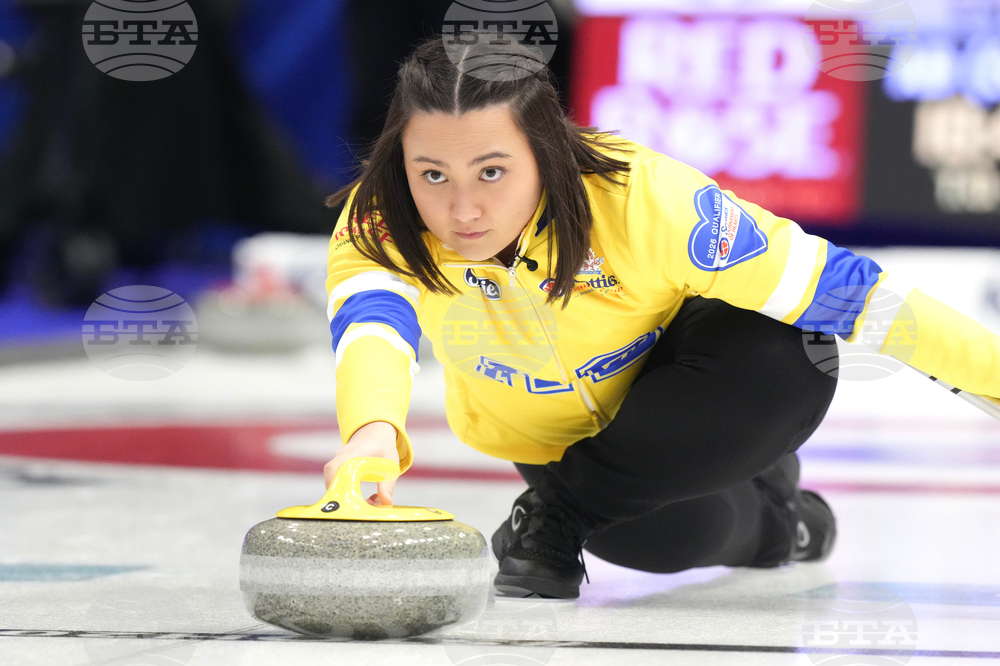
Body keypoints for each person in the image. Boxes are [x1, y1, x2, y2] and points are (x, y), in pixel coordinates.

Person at [321, 34, 1000, 599]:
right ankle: (783, 518)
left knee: (793, 347)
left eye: (491, 172)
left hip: (690, 371)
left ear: (546, 150)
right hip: (555, 438)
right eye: (433, 174)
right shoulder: (382, 219)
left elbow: (851, 293)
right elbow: (374, 328)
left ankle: (561, 510)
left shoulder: (644, 199)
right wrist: (372, 431)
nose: (462, 209)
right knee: (668, 544)